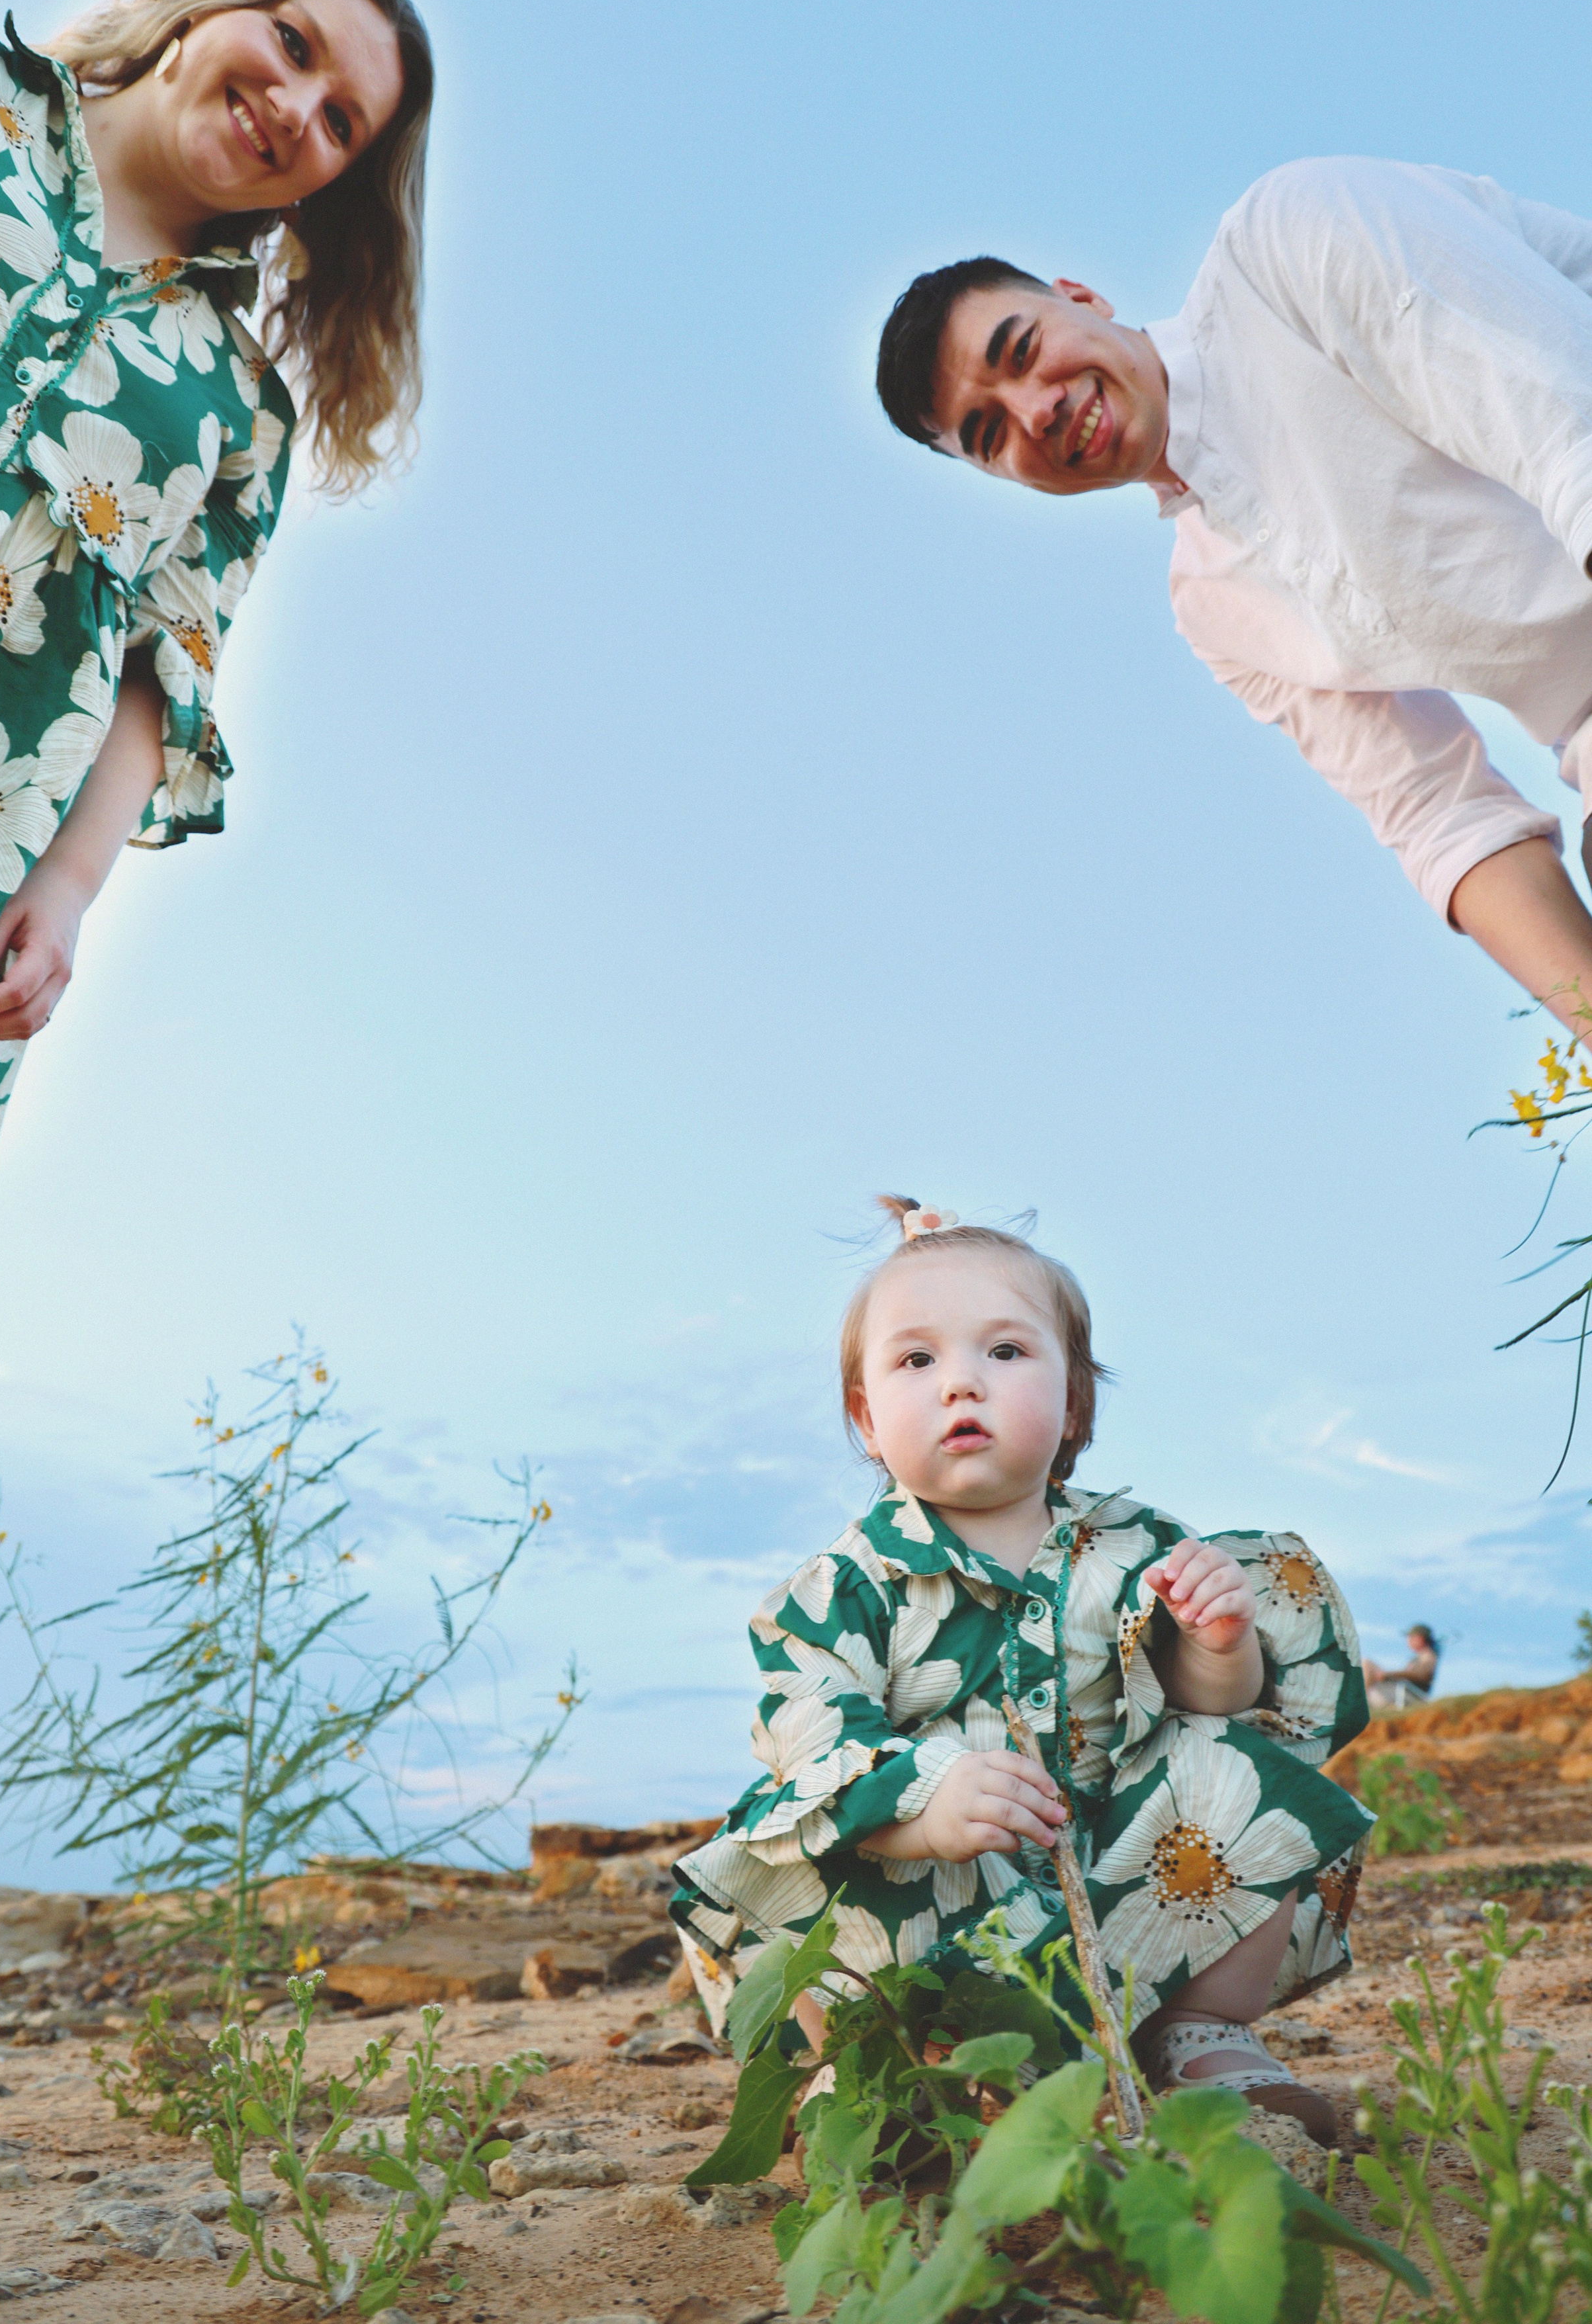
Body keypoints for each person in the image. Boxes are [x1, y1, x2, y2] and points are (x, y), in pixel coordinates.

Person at [0, 0, 431, 1179]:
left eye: (340, 122)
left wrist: (67, 890)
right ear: (206, 3)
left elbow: (164, 674)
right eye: (292, 43)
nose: (294, 106)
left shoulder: (237, 421)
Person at [671, 1200, 1373, 2145]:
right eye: (917, 1361)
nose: (962, 1382)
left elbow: (1208, 1709)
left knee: (1239, 1764)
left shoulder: (1138, 1547)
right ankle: (878, 2070)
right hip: (936, 1908)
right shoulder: (841, 1590)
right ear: (867, 1418)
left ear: (1074, 1403)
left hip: (1126, 1891)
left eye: (1005, 1351)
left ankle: (1195, 2028)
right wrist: (925, 1808)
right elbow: (814, 1735)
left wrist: (1218, 1645)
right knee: (807, 1843)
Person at [873, 161, 1592, 1049]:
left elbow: (1563, 427)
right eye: (990, 434)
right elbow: (1439, 812)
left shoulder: (1288, 239)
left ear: (1083, 298)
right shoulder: (1214, 606)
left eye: (1020, 351)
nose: (1035, 411)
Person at [1363, 1623, 1439, 1710]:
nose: (1408, 1641)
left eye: (1411, 1638)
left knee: (1367, 1664)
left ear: (1420, 1639)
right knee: (1367, 1668)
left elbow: (1420, 1675)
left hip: (1411, 1695)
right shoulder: (1420, 1657)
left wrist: (1389, 1675)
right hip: (1405, 1691)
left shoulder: (1428, 1656)